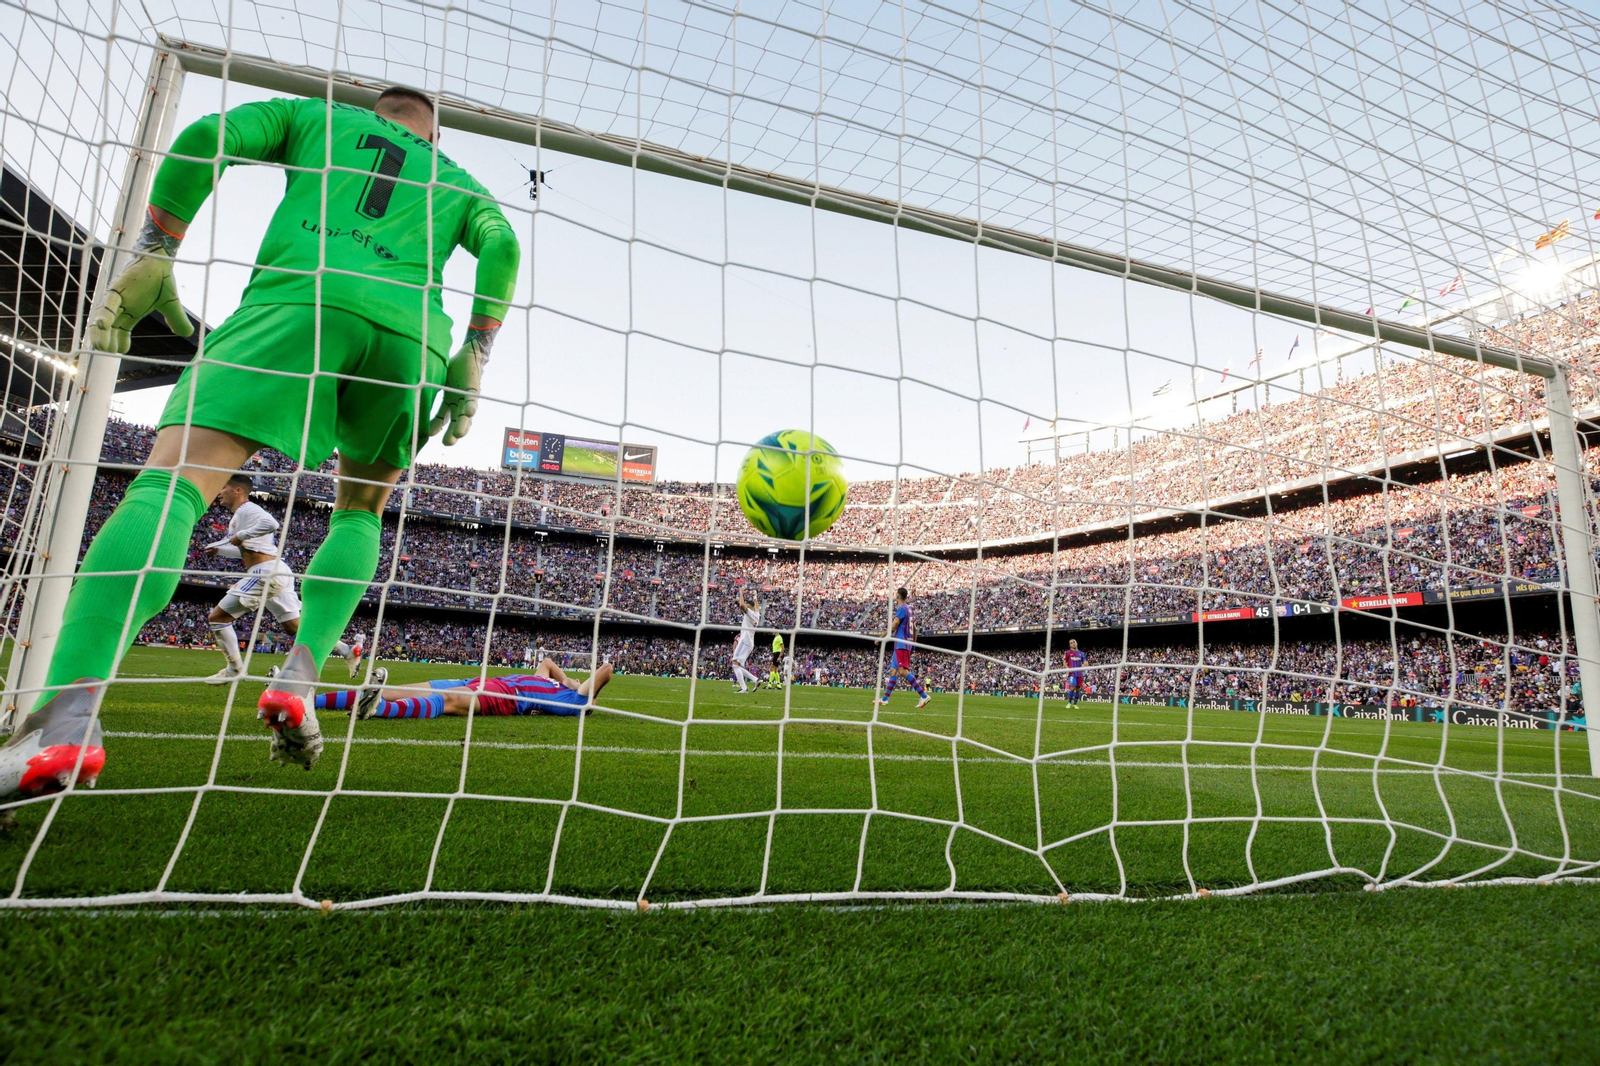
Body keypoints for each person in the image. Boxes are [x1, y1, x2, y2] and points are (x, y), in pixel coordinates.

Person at [0, 85, 520, 796]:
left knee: (173, 482)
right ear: (433, 136)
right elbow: (503, 244)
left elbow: (208, 135)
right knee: (361, 511)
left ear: (376, 110)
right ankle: (298, 681)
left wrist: (157, 250)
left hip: (296, 299)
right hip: (411, 337)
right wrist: (476, 354)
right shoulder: (459, 181)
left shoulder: (317, 116)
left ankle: (65, 719)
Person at [202, 474, 361, 684]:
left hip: (264, 572)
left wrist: (241, 536)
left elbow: (272, 523)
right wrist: (220, 550)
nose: (219, 493)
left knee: (218, 619)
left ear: (237, 490)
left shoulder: (248, 509)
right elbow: (251, 549)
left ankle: (234, 670)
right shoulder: (240, 517)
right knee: (293, 627)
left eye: (223, 487)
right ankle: (346, 650)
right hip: (276, 570)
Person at [312, 658, 610, 719]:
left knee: (449, 701)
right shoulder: (556, 684)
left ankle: (379, 710)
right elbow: (546, 662)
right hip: (488, 682)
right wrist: (566, 677)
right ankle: (310, 701)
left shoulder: (577, 701)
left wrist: (578, 686)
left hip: (506, 696)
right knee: (399, 688)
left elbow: (606, 670)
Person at [877, 587, 930, 709]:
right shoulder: (909, 610)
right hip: (904, 644)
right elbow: (915, 629)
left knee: (902, 671)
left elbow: (894, 625)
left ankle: (923, 695)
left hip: (901, 643)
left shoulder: (901, 609)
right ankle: (885, 699)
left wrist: (881, 637)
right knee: (893, 671)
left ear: (897, 596)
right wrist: (913, 644)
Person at [731, 587, 761, 693]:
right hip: (749, 642)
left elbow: (742, 606)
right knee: (739, 665)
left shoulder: (750, 613)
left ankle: (744, 688)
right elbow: (756, 607)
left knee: (735, 664)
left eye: (747, 608)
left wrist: (741, 593)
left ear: (749, 608)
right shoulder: (757, 614)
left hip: (744, 641)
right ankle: (755, 680)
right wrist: (755, 597)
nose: (745, 610)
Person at [1063, 639, 1088, 706]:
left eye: (1074, 642)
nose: (1073, 644)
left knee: (1078, 689)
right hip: (1072, 673)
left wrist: (1085, 664)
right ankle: (1069, 703)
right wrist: (1067, 668)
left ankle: (1075, 704)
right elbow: (1064, 661)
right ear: (1070, 645)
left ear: (1076, 643)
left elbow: (1085, 662)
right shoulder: (1068, 652)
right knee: (1072, 687)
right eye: (1071, 643)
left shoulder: (1081, 653)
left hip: (1079, 673)